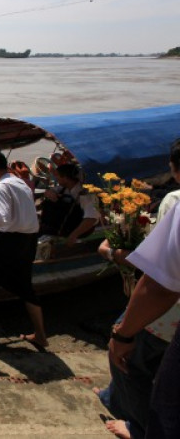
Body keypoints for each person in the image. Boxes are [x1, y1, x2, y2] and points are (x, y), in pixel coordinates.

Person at [95, 138, 180, 439]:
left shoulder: (174, 201)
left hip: (165, 316)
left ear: (175, 169)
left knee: (127, 362)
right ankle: (113, 397)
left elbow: (161, 277)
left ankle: (139, 426)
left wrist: (123, 334)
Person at [0, 151, 48, 347]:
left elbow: (0, 218)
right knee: (26, 287)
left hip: (12, 241)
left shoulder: (1, 187)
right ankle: (41, 334)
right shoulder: (20, 182)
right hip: (29, 240)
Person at [40, 163, 100, 245]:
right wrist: (51, 193)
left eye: (57, 176)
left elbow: (91, 218)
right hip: (65, 224)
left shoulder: (85, 194)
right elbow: (49, 191)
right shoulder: (64, 188)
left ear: (65, 178)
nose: (55, 178)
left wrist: (74, 235)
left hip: (80, 229)